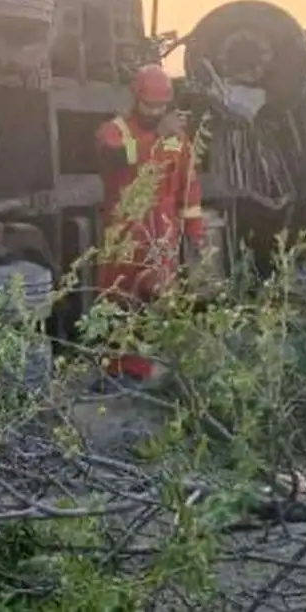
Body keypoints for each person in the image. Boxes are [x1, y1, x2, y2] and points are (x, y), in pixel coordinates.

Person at [94, 63, 206, 383]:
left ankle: (138, 371)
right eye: (149, 105)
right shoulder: (115, 130)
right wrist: (156, 137)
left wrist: (196, 237)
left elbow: (189, 191)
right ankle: (112, 369)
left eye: (161, 107)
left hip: (162, 235)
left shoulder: (177, 141)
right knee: (116, 299)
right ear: (135, 98)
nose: (155, 112)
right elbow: (114, 156)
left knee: (152, 301)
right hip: (125, 234)